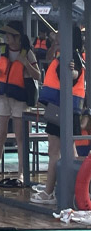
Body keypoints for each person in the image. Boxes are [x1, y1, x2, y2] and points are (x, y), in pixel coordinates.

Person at [32, 27, 85, 205]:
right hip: (63, 109)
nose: (57, 36)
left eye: (61, 33)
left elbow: (74, 74)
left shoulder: (72, 57)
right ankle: (73, 190)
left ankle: (49, 193)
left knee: (55, 152)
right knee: (69, 152)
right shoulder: (64, 54)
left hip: (63, 110)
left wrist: (72, 71)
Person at [0, 21, 41, 186]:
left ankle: (21, 173)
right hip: (2, 97)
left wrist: (25, 64)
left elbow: (38, 75)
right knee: (0, 135)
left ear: (16, 36)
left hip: (20, 99)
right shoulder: (1, 50)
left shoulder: (27, 53)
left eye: (9, 35)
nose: (6, 38)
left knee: (21, 137)